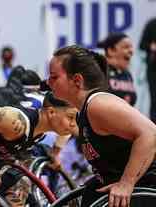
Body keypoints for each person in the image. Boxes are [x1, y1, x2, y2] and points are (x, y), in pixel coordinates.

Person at [48, 45, 156, 207]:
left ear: (77, 80)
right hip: (112, 186)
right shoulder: (82, 112)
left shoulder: (98, 105)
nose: (48, 82)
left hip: (146, 187)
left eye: (54, 77)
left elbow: (150, 133)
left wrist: (126, 183)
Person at [0, 91, 77, 205]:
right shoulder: (16, 122)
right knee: (20, 183)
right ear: (51, 112)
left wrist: (55, 153)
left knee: (31, 196)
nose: (73, 124)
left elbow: (75, 129)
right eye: (71, 117)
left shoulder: (40, 130)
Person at [97, 33, 136, 106]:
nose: (131, 51)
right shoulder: (99, 71)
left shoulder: (127, 74)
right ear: (111, 51)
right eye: (126, 47)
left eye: (131, 47)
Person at [140, 18, 156, 123]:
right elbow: (142, 45)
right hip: (154, 69)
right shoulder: (152, 24)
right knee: (154, 100)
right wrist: (151, 46)